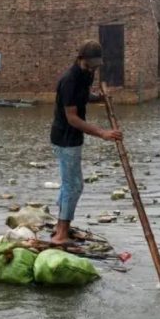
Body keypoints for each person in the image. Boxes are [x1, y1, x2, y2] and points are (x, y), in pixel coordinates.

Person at [49, 41, 123, 245]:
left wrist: (97, 97)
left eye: (95, 66)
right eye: (89, 65)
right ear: (80, 59)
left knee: (69, 184)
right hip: (64, 138)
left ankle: (60, 227)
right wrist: (103, 133)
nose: (92, 69)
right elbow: (72, 117)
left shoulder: (86, 74)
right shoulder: (69, 80)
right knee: (73, 186)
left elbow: (82, 97)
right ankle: (61, 234)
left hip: (74, 138)